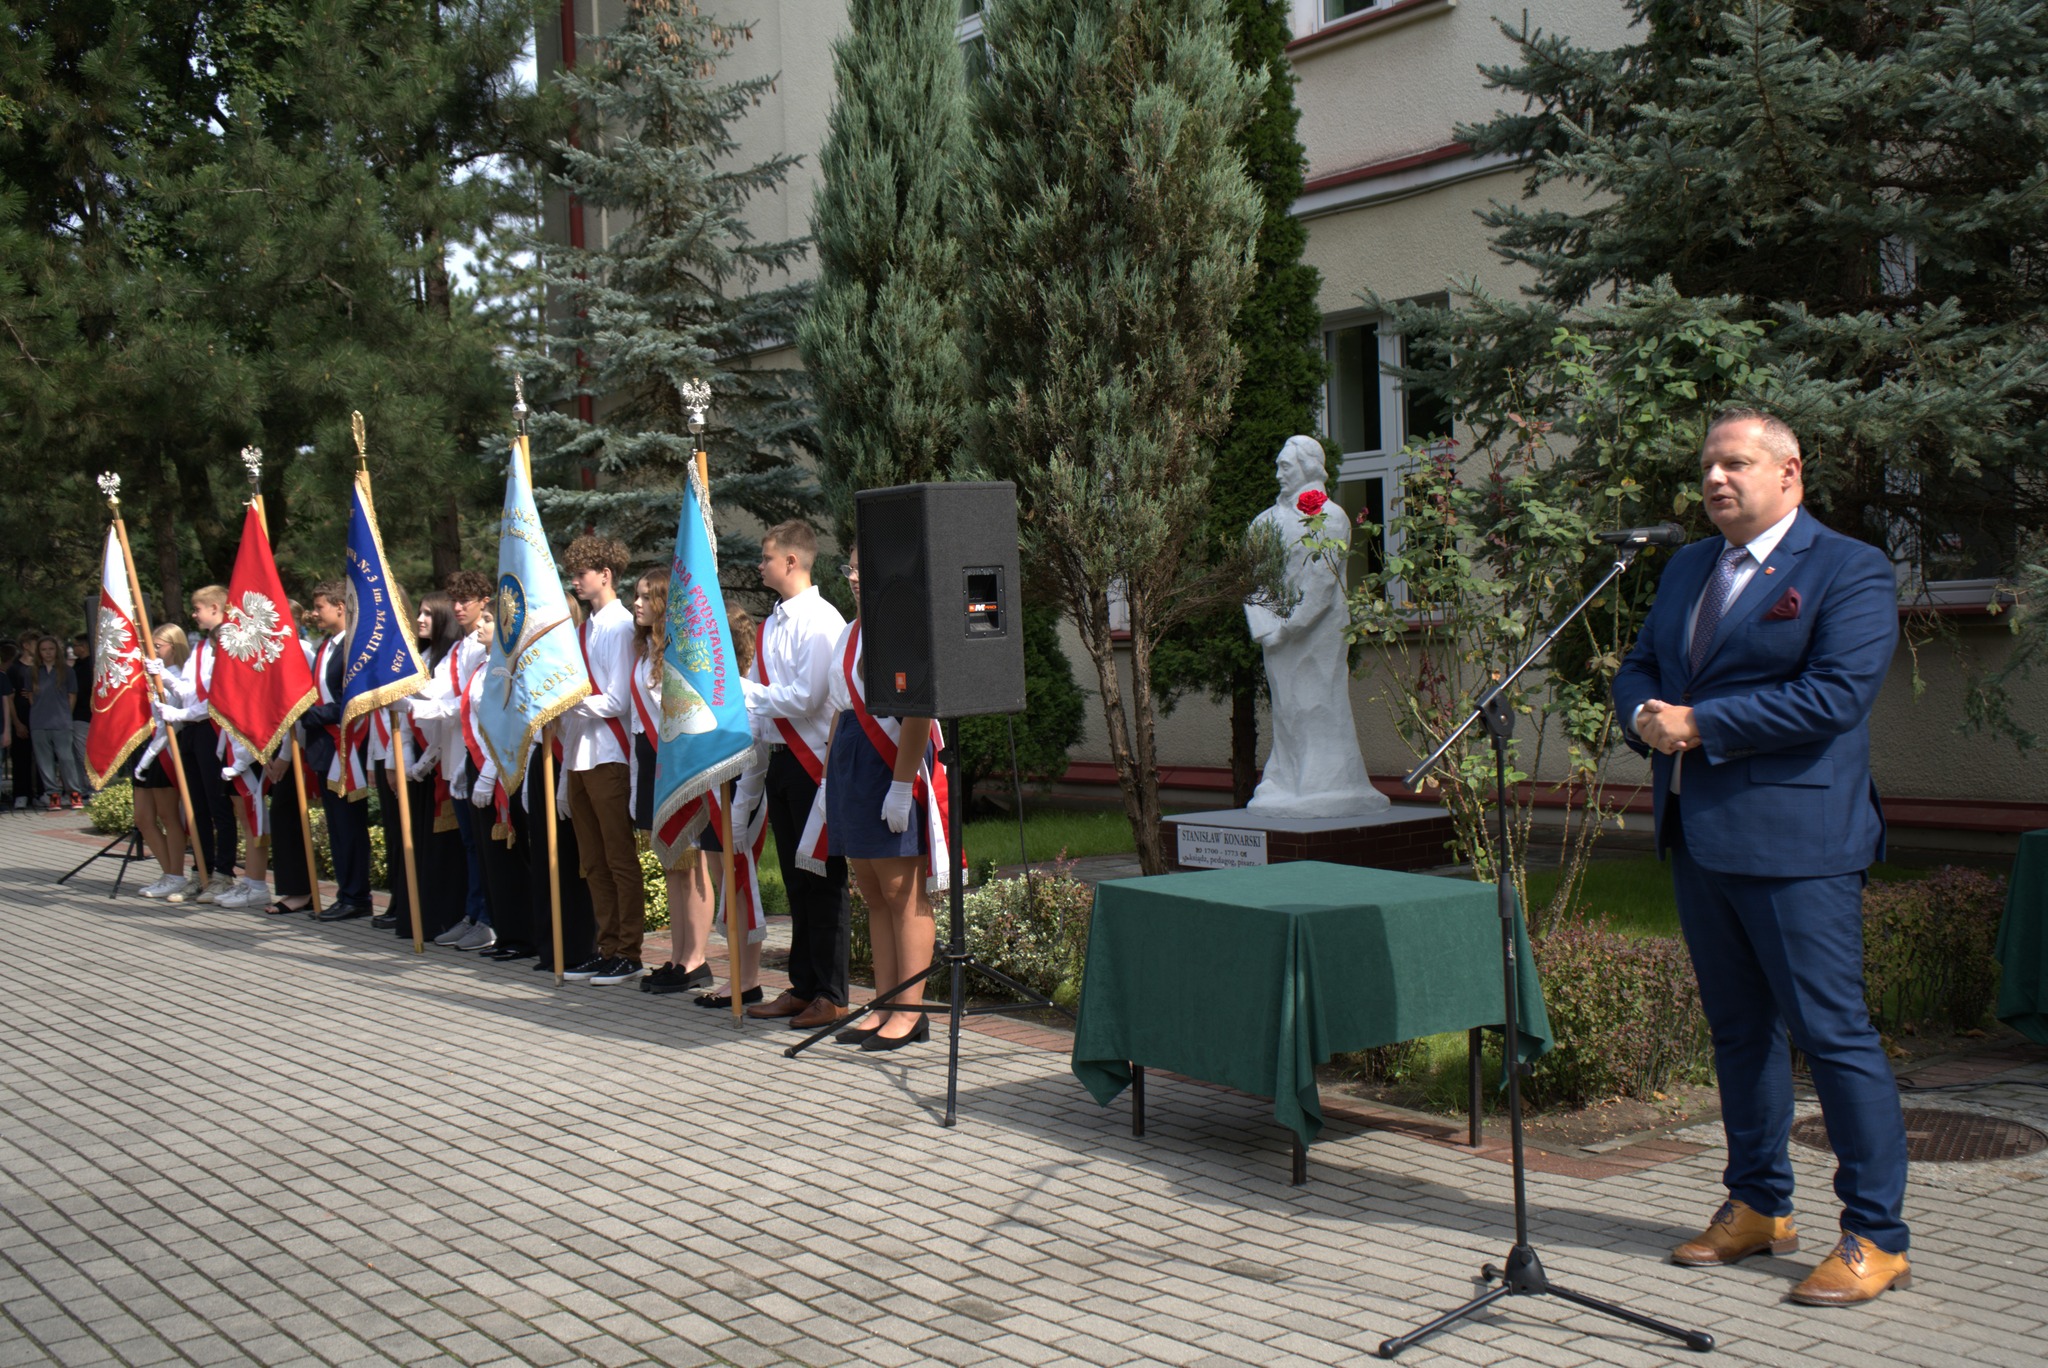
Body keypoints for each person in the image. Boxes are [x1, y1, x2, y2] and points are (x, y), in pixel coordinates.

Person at [1614, 408, 1910, 1306]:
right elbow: (1640, 665)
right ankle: (1757, 1205)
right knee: (1740, 1032)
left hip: (1798, 844)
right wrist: (1642, 718)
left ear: (1791, 476)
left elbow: (1835, 695)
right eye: (1708, 465)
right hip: (1702, 835)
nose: (1715, 479)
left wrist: (1700, 724)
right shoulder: (1689, 567)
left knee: (1832, 1035)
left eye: (1735, 463)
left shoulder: (1849, 568)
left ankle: (1876, 1235)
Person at [820, 546, 946, 1051]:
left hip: (892, 762)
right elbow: (837, 710)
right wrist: (830, 781)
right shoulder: (850, 633)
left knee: (901, 892)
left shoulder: (902, 626)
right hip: (854, 762)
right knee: (871, 890)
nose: (854, 576)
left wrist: (899, 786)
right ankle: (884, 1003)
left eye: (864, 566)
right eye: (850, 567)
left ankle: (909, 1011)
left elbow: (917, 709)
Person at [734, 521, 850, 1031]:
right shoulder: (773, 622)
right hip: (783, 760)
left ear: (791, 562)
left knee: (823, 879)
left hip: (815, 766)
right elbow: (765, 703)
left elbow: (808, 697)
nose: (760, 566)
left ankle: (831, 992)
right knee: (796, 880)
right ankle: (803, 986)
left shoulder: (821, 620)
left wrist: (746, 693)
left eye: (766, 557)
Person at [558, 535, 649, 986]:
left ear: (606, 576)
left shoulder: (617, 626)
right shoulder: (587, 627)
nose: (575, 581)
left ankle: (629, 950)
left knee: (618, 857)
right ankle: (606, 944)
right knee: (592, 859)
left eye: (582, 573)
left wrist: (565, 701)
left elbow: (615, 700)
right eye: (573, 574)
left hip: (610, 754)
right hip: (580, 755)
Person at [417, 573, 497, 952]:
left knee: (484, 845)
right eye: (455, 600)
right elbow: (438, 691)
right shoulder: (460, 648)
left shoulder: (486, 645)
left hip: (482, 756)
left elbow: (465, 705)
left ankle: (487, 917)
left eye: (467, 600)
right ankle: (474, 912)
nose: (459, 607)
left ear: (485, 601)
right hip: (462, 756)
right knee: (470, 843)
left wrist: (417, 705)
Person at [300, 581, 375, 921]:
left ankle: (357, 896)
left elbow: (353, 701)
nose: (314, 613)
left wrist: (308, 714)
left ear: (341, 607)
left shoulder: (353, 646)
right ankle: (346, 893)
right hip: (324, 746)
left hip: (347, 745)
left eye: (320, 607)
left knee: (349, 826)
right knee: (337, 826)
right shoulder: (326, 645)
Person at [170, 586, 241, 901]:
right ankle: (201, 870)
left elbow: (219, 692)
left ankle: (223, 874)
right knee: (195, 804)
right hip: (192, 729)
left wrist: (183, 710)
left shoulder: (228, 642)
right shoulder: (199, 647)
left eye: (198, 609)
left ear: (215, 607)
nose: (194, 614)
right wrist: (167, 680)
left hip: (214, 729)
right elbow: (189, 688)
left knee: (217, 804)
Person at [259, 601, 319, 916]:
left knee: (289, 816)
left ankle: (300, 891)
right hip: (279, 746)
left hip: (299, 750)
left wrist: (284, 755)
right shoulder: (273, 656)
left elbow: (299, 710)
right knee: (282, 816)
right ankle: (295, 888)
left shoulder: (303, 653)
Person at [134, 625, 198, 899]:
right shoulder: (152, 675)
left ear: (174, 645)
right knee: (143, 818)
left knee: (168, 816)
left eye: (158, 646)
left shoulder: (178, 676)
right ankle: (168, 873)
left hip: (163, 751)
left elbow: (171, 723)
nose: (154, 651)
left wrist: (147, 759)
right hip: (145, 748)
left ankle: (175, 874)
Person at [28, 635, 87, 809]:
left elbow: (72, 695)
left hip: (61, 722)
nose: (48, 653)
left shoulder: (67, 671)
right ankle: (53, 795)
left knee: (66, 759)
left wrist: (64, 714)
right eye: (44, 649)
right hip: (39, 722)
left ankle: (75, 793)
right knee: (44, 761)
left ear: (57, 650)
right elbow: (30, 696)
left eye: (51, 649)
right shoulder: (32, 672)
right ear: (39, 652)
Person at [69, 634, 93, 798]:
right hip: (75, 715)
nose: (73, 648)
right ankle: (82, 788)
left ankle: (92, 786)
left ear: (83, 647)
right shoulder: (77, 665)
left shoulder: (89, 667)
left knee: (83, 753)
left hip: (83, 715)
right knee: (77, 754)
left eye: (76, 645)